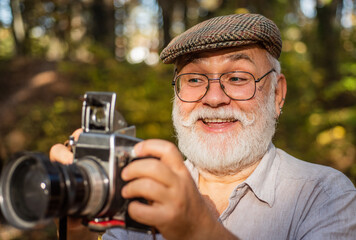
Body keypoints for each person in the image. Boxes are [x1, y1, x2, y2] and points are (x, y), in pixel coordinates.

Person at [50, 13, 356, 240]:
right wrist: (80, 234)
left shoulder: (325, 194)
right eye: (194, 79)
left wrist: (198, 231)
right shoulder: (139, 192)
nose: (213, 98)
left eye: (237, 78)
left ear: (277, 95)